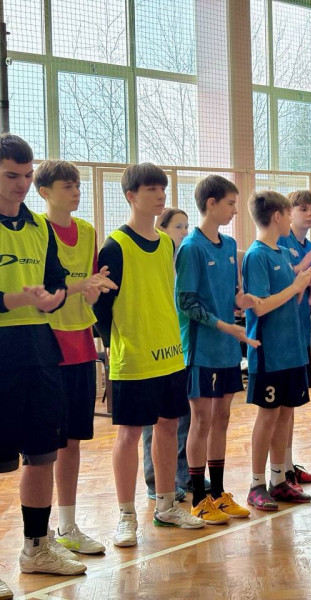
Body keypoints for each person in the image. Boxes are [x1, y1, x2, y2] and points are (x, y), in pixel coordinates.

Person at [94, 163, 206, 548]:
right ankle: (126, 516)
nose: (160, 195)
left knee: (167, 427)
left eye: (163, 188)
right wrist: (119, 343)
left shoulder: (166, 243)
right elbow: (101, 307)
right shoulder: (115, 246)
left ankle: (167, 505)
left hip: (170, 354)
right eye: (151, 189)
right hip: (133, 358)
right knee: (128, 435)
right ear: (131, 196)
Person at [0, 135, 84, 587]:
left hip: (39, 351)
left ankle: (36, 549)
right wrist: (11, 299)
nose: (21, 184)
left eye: (27, 175)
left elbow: (54, 283)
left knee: (42, 454)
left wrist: (54, 298)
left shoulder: (38, 227)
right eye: (11, 175)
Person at [36, 160, 116, 556]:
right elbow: (42, 288)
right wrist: (80, 284)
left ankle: (67, 525)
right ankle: (38, 533)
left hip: (82, 344)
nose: (76, 192)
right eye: (67, 186)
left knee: (72, 441)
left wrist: (94, 291)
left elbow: (89, 287)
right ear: (45, 192)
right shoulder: (36, 230)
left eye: (77, 185)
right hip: (46, 346)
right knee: (41, 449)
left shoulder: (87, 231)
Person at [176, 175, 258, 524]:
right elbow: (186, 302)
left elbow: (231, 295)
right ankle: (198, 498)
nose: (235, 210)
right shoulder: (191, 248)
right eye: (230, 203)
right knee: (202, 420)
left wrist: (242, 301)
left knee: (222, 418)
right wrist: (225, 326)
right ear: (211, 203)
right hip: (202, 350)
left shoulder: (230, 246)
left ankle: (219, 493)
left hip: (227, 348)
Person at [242, 191, 311, 510]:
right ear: (278, 216)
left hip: (291, 349)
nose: (291, 218)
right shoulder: (257, 255)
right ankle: (256, 484)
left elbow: (293, 295)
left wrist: (305, 280)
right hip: (269, 351)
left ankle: (278, 480)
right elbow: (260, 307)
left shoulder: (280, 252)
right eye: (289, 212)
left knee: (285, 413)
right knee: (268, 415)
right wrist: (295, 285)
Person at [142, 206, 193, 502]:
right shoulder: (155, 262)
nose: (184, 232)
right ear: (162, 229)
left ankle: (181, 476)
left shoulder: (181, 263)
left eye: (186, 227)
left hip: (180, 349)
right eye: (178, 227)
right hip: (154, 352)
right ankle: (155, 482)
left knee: (181, 421)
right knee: (155, 423)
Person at [277, 190, 311, 488]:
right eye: (302, 209)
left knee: (291, 405)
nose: (309, 214)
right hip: (282, 332)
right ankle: (278, 471)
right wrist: (302, 268)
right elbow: (281, 286)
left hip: (300, 330)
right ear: (289, 213)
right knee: (279, 408)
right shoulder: (281, 242)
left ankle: (287, 464)